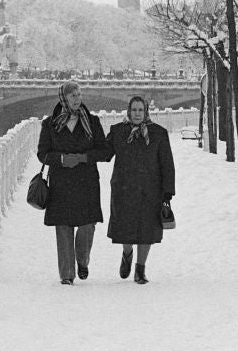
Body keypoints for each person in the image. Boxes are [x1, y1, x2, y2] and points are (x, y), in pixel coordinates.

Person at [37, 81, 108, 285]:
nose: (78, 99)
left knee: (88, 225)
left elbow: (103, 151)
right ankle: (67, 274)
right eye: (73, 96)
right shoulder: (49, 124)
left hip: (86, 181)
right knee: (63, 226)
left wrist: (83, 158)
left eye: (79, 95)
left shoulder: (92, 122)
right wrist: (61, 159)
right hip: (61, 182)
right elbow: (42, 154)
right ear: (64, 98)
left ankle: (82, 260)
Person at [102, 95, 175, 284]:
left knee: (147, 230)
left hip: (150, 190)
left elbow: (167, 164)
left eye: (140, 110)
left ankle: (140, 269)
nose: (137, 114)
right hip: (124, 189)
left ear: (146, 111)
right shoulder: (118, 131)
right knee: (126, 226)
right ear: (128, 111)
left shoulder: (158, 133)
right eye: (134, 110)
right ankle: (127, 254)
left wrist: (167, 192)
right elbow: (104, 153)